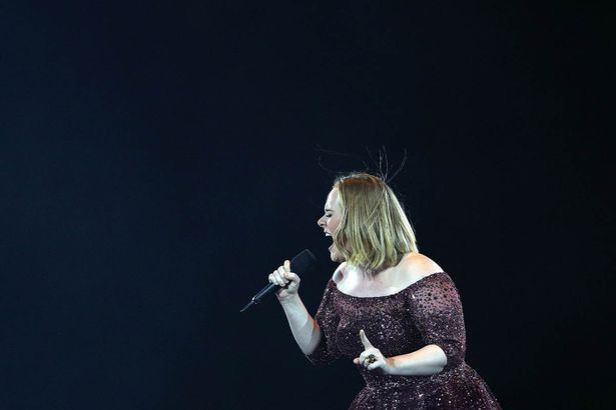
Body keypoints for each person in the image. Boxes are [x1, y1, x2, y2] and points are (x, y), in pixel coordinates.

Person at [268, 172, 501, 409]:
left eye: (329, 214)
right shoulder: (343, 276)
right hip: (384, 401)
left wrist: (390, 364)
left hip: (441, 400)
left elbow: (449, 351)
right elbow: (320, 351)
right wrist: (289, 299)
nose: (321, 221)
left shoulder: (418, 270)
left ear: (356, 219)